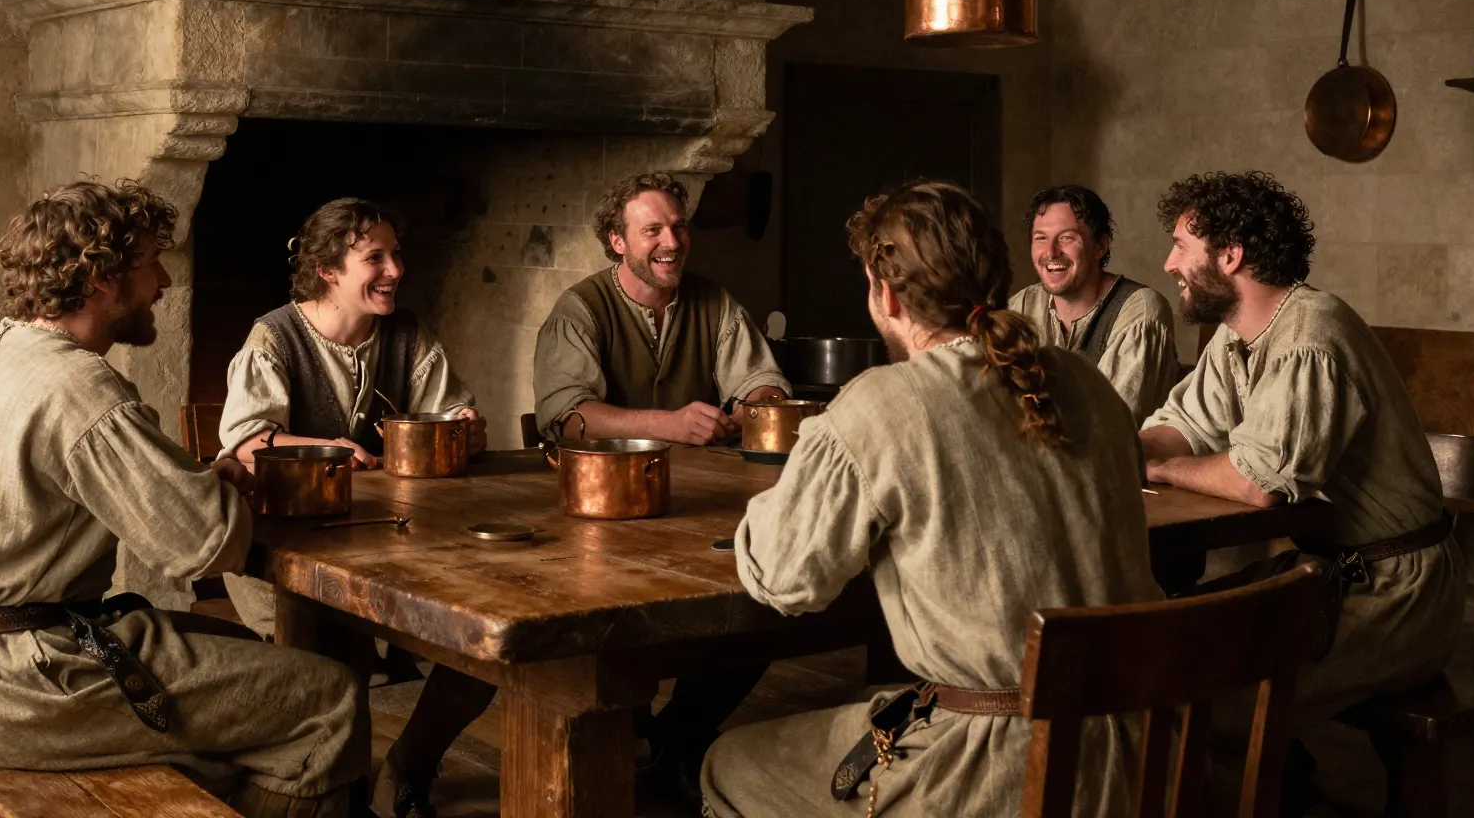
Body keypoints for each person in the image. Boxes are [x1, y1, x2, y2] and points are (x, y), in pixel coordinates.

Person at [0, 180, 369, 818]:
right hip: (25, 687)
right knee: (327, 700)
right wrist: (227, 489)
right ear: (100, 279)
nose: (164, 282)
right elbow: (204, 548)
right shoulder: (83, 390)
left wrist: (202, 485)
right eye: (152, 262)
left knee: (246, 666)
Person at [702, 180, 1163, 818]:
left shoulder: (878, 403)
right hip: (1141, 751)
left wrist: (768, 506)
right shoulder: (1087, 384)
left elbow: (785, 579)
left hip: (996, 774)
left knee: (729, 763)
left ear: (884, 293)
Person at [1136, 171, 1462, 737]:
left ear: (1231, 255)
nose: (1169, 264)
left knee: (1193, 691)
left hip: (1395, 591)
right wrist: (1116, 448)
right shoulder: (1236, 334)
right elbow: (1184, 424)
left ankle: (1260, 785)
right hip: (1325, 571)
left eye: (1181, 247)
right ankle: (1277, 783)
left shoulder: (1312, 336)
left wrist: (1158, 467)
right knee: (1159, 641)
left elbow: (1257, 482)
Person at [218, 197, 492, 818]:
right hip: (291, 553)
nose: (395, 269)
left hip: (394, 541)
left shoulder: (407, 333)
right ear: (327, 271)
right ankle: (340, 798)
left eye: (396, 255)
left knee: (484, 647)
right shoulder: (275, 336)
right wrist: (325, 446)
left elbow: (449, 410)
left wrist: (465, 428)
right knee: (336, 666)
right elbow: (246, 439)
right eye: (375, 258)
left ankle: (409, 766)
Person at [532, 171, 792, 796]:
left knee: (767, 606)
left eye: (678, 227)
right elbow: (566, 413)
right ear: (617, 243)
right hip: (600, 514)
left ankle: (675, 739)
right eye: (653, 230)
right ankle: (641, 747)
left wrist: (757, 398)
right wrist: (669, 424)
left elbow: (762, 381)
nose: (671, 241)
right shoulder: (581, 308)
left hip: (696, 505)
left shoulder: (714, 301)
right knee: (616, 622)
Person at [1007, 184, 1183, 424]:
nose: (1050, 252)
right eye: (1041, 238)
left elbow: (1112, 427)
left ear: (1100, 245)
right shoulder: (1022, 305)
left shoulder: (1141, 313)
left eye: (1067, 238)